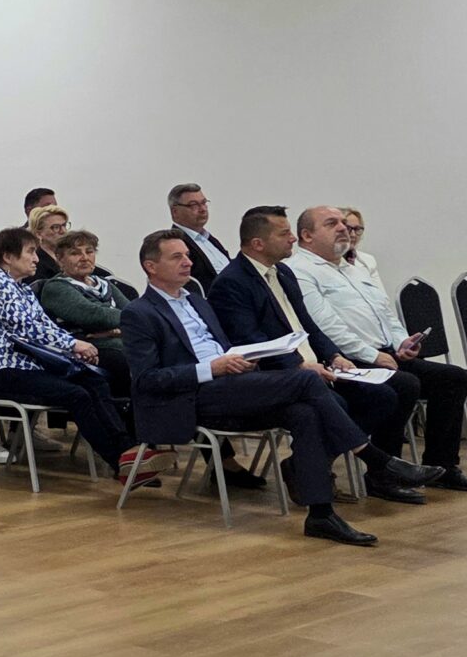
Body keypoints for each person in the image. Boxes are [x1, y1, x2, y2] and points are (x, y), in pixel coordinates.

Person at [123, 230, 381, 545]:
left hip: (231, 387)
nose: (187, 262)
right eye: (177, 257)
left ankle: (321, 514)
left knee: (303, 413)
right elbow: (147, 380)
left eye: (188, 255)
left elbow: (224, 348)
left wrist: (244, 359)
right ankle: (373, 457)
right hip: (192, 397)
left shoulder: (198, 302)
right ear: (151, 266)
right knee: (307, 379)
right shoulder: (138, 312)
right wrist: (211, 369)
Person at [207, 206, 445, 506]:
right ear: (258, 243)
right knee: (338, 403)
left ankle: (313, 466)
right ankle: (371, 466)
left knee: (386, 394)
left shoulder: (283, 273)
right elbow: (251, 342)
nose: (292, 238)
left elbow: (308, 325)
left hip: (315, 366)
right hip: (278, 374)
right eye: (284, 233)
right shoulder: (232, 283)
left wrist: (333, 355)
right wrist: (298, 365)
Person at [290, 205, 467, 493]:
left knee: (453, 378)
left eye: (344, 223)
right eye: (332, 223)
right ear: (307, 236)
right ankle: (384, 475)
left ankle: (443, 466)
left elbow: (385, 313)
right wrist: (373, 355)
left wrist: (402, 342)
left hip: (384, 353)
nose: (343, 228)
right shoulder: (300, 270)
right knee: (404, 384)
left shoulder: (353, 268)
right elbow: (325, 325)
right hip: (345, 360)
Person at [0, 227, 151, 483]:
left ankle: (129, 453)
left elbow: (47, 327)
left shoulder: (20, 288)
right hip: (6, 372)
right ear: (8, 256)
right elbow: (29, 330)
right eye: (31, 252)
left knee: (94, 381)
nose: (37, 259)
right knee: (77, 395)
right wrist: (74, 345)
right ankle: (120, 462)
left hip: (32, 367)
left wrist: (74, 349)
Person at [36, 229, 139, 397]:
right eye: (75, 253)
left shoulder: (104, 284)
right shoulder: (56, 287)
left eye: (89, 252)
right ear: (60, 259)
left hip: (116, 343)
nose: (84, 258)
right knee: (128, 359)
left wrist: (114, 330)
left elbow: (136, 315)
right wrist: (117, 325)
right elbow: (94, 316)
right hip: (86, 351)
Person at [168, 182, 233, 289]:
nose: (203, 209)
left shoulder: (209, 239)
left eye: (204, 203)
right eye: (194, 205)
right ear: (175, 211)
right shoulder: (176, 244)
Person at [26, 204, 74, 282]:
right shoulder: (35, 264)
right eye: (56, 227)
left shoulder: (73, 256)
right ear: (39, 234)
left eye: (64, 225)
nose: (63, 231)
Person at [339, 207, 381, 288]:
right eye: (348, 228)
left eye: (357, 229)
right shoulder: (324, 260)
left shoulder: (368, 260)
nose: (353, 235)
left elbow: (381, 294)